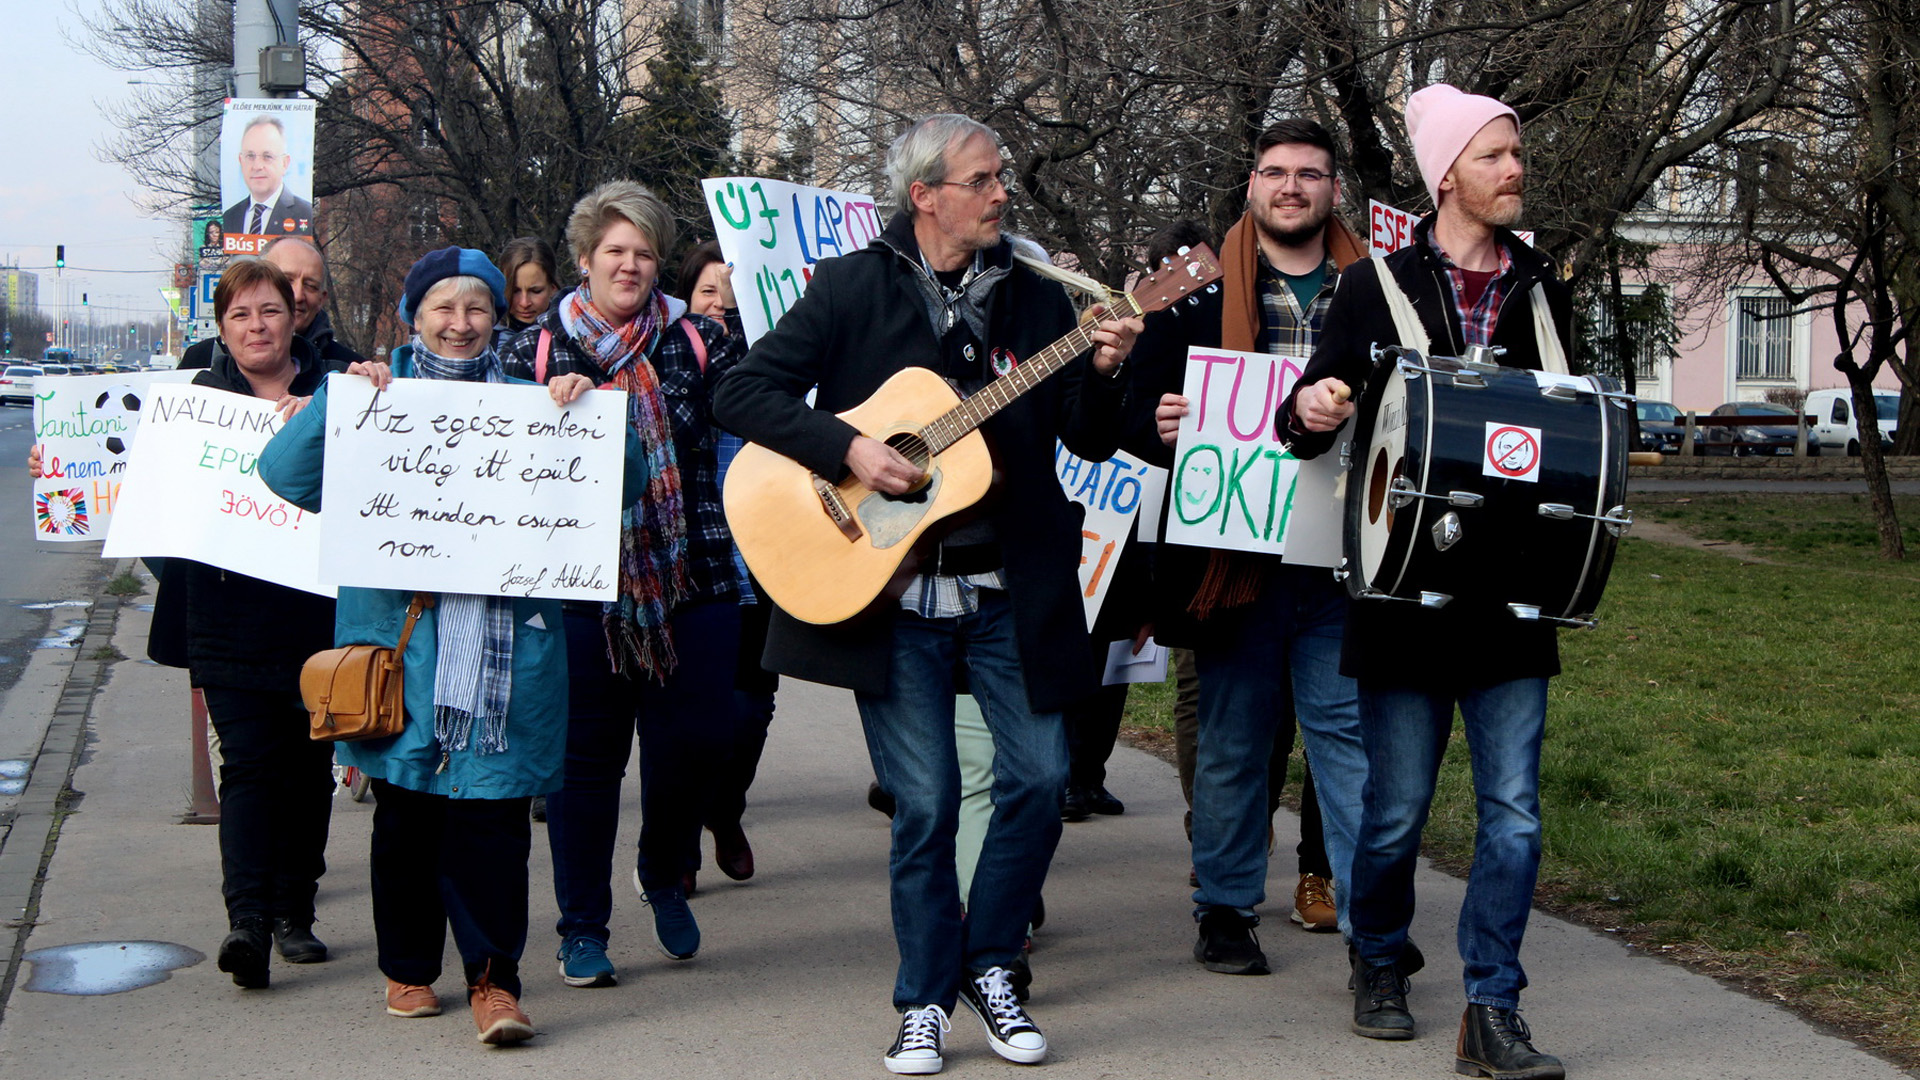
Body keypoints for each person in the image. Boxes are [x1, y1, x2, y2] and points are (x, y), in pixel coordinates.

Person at [712, 113, 1142, 1075]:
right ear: (927, 196)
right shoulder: (852, 287)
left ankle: (990, 968)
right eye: (985, 179)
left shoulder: (1037, 297)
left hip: (1009, 589)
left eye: (1002, 179)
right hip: (895, 596)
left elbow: (1089, 438)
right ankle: (922, 998)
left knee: (1037, 782)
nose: (1002, 193)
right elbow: (740, 394)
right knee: (927, 804)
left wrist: (1105, 368)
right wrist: (850, 448)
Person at [261, 247, 627, 1045]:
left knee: (494, 826)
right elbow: (283, 476)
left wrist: (588, 408)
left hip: (505, 659)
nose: (460, 325)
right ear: (413, 314)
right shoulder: (371, 398)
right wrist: (337, 401)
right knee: (406, 822)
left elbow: (618, 486)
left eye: (476, 309)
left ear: (498, 318)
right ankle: (408, 969)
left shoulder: (537, 403)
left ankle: (495, 984)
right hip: (402, 656)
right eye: (443, 309)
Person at [1281, 84, 1572, 1079]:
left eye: (1516, 156)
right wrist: (1315, 405)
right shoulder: (1372, 290)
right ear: (1448, 174)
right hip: (1402, 596)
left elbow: (1572, 429)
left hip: (1511, 594)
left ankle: (1493, 1006)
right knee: (1396, 809)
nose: (1514, 172)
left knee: (1516, 812)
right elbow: (1297, 422)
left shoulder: (1541, 290)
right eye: (1495, 157)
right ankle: (1377, 959)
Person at [31, 258, 380, 988]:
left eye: (271, 311)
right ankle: (247, 922)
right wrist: (63, 466)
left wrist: (354, 399)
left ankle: (295, 913)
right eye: (241, 315)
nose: (258, 326)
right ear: (222, 328)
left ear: (296, 317)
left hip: (318, 611)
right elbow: (124, 482)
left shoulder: (338, 393)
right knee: (249, 767)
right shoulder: (190, 401)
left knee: (308, 768)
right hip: (225, 612)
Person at [1123, 119, 1371, 976]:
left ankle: (1368, 923)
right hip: (1235, 558)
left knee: (1345, 739)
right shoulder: (1190, 294)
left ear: (1335, 189)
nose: (1292, 187)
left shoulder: (1378, 292)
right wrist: (1154, 421)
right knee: (1234, 739)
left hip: (1345, 556)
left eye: (1310, 173)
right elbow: (1132, 407)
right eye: (1275, 172)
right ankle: (1226, 910)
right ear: (1253, 186)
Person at [497, 181, 748, 990]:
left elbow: (760, 422)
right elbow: (484, 454)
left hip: (694, 575)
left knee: (698, 744)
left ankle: (663, 869)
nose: (630, 265)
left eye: (644, 252)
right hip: (579, 589)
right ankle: (582, 928)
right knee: (586, 766)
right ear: (583, 260)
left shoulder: (700, 340)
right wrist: (547, 410)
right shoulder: (531, 351)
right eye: (615, 251)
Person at [671, 238, 769, 888]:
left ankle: (725, 809)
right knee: (694, 718)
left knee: (751, 713)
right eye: (709, 293)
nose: (720, 310)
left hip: (765, 562)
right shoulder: (675, 362)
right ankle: (678, 845)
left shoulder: (776, 371)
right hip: (698, 562)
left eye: (733, 303)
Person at [181, 237, 367, 371]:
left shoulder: (348, 370)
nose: (297, 295)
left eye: (310, 285)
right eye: (286, 280)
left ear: (322, 298)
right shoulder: (201, 359)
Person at [221, 114, 315, 236]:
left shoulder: (305, 213)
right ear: (240, 161)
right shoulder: (230, 216)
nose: (257, 166)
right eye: (250, 156)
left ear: (285, 163)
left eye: (267, 156)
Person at [496, 236, 561, 349]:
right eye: (515, 291)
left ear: (553, 288)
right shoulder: (482, 339)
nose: (524, 303)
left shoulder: (570, 336)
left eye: (535, 291)